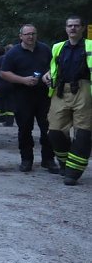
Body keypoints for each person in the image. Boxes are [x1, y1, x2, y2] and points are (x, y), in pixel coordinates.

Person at [0, 24, 56, 173]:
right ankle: (26, 160)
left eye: (33, 33)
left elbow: (54, 66)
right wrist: (23, 80)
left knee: (48, 129)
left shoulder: (45, 49)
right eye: (27, 34)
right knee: (25, 129)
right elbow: (4, 73)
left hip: (44, 96)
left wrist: (48, 75)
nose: (30, 37)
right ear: (21, 36)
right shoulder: (13, 53)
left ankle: (48, 159)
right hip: (22, 97)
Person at [43, 16, 92, 186]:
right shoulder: (57, 47)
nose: (73, 28)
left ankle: (73, 172)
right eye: (70, 26)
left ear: (82, 28)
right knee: (55, 131)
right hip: (60, 91)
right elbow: (53, 68)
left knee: (84, 133)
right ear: (66, 29)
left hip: (84, 90)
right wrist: (47, 75)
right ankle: (65, 163)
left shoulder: (90, 45)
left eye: (76, 26)